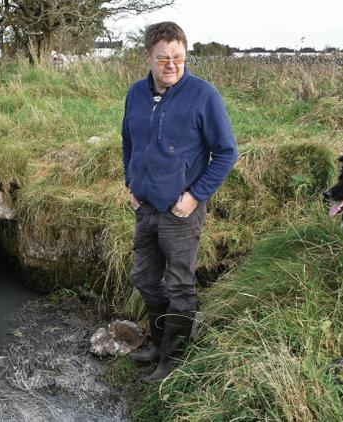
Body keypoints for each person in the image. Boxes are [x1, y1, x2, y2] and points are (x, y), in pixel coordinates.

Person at [121, 21, 238, 383]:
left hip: (180, 210)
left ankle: (172, 361)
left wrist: (194, 196)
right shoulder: (135, 95)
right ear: (148, 57)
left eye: (179, 58)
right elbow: (129, 142)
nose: (171, 65)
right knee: (143, 278)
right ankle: (158, 343)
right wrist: (131, 183)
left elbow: (226, 152)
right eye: (163, 58)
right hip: (145, 207)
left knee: (179, 285)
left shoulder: (203, 96)